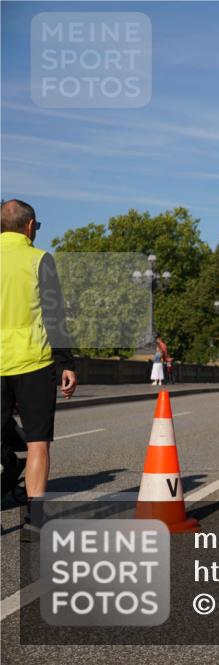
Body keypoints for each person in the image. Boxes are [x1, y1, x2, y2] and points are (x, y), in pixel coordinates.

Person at [0, 200, 77, 540]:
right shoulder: (39, 260)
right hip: (34, 362)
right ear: (29, 226)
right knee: (37, 442)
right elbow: (53, 314)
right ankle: (35, 521)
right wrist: (66, 363)